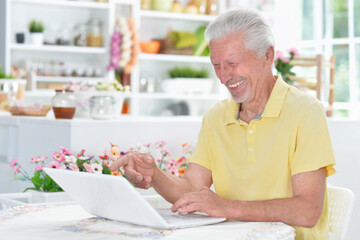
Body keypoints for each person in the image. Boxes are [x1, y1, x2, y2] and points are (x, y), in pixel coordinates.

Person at [110, 8, 336, 239]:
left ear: (268, 56)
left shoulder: (306, 111)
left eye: (232, 62)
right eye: (216, 65)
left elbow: (307, 210)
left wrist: (228, 207)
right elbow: (191, 190)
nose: (224, 76)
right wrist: (155, 175)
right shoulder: (216, 117)